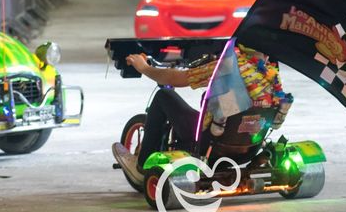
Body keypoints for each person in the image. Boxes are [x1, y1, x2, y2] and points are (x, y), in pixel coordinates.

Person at [111, 46, 291, 187]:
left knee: (164, 96)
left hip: (208, 146)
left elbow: (174, 78)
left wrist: (144, 67)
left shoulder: (227, 65)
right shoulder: (272, 75)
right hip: (247, 150)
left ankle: (141, 166)